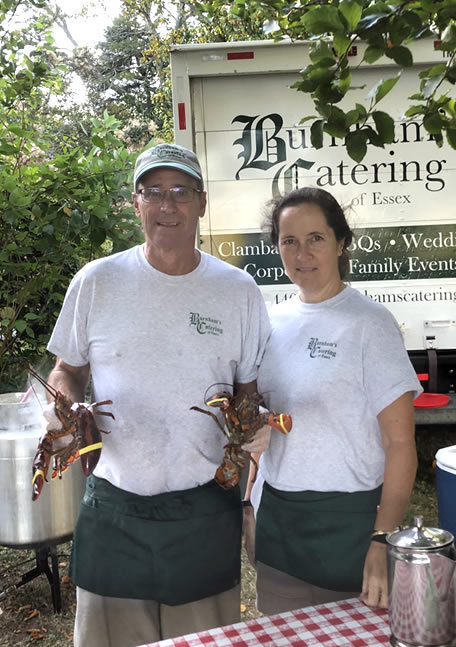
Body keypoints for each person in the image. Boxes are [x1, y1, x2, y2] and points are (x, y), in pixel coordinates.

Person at [43, 143, 270, 647]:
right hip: (114, 505)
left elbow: (248, 391)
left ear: (202, 202)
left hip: (205, 507)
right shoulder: (96, 281)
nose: (167, 205)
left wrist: (254, 427)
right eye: (154, 192)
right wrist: (61, 407)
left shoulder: (238, 290)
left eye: (181, 192)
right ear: (136, 201)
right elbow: (67, 370)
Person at [242, 186, 422, 615]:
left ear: (341, 243)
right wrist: (248, 508)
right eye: (289, 241)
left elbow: (400, 445)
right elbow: (256, 424)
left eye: (315, 238)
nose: (302, 253)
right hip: (281, 527)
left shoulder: (370, 324)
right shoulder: (271, 323)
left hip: (352, 531)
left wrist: (382, 540)